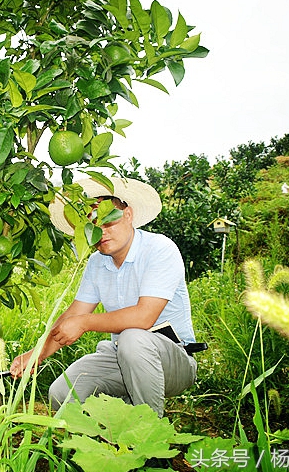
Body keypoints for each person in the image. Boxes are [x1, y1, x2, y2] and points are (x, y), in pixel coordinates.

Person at [10, 177, 198, 417]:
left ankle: (150, 441)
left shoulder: (159, 249)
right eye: (93, 224)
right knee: (63, 393)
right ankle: (105, 446)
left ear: (128, 214)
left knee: (132, 339)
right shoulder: (97, 263)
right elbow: (74, 315)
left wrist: (85, 324)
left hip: (174, 359)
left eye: (109, 220)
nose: (101, 231)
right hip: (121, 356)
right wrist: (36, 354)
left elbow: (144, 317)